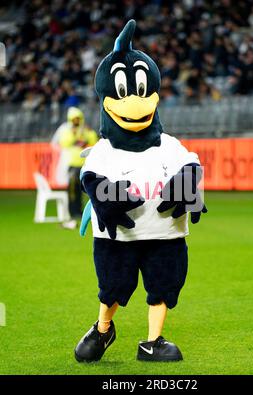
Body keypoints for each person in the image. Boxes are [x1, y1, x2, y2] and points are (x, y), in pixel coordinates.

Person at [75, 20, 207, 363]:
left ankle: (153, 341)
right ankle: (103, 328)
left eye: (141, 91)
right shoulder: (105, 149)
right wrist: (106, 195)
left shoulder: (169, 145)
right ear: (106, 97)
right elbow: (90, 177)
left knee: (164, 283)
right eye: (122, 93)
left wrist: (187, 185)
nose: (134, 102)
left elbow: (191, 166)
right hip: (118, 238)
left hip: (165, 235)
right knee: (114, 287)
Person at [56, 107, 98, 229]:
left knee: (86, 190)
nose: (76, 121)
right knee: (72, 190)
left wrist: (85, 133)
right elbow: (64, 143)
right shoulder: (67, 131)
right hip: (73, 164)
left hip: (85, 164)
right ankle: (72, 212)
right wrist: (74, 135)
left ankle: (82, 212)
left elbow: (93, 141)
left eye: (78, 118)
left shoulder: (87, 130)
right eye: (74, 119)